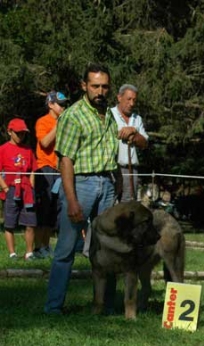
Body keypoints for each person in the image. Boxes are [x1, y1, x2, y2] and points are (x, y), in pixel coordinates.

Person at [44, 63, 147, 315]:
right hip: (81, 185)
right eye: (95, 86)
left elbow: (131, 147)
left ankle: (105, 305)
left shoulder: (109, 117)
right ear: (84, 86)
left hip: (108, 185)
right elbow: (65, 160)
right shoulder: (73, 115)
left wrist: (133, 136)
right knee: (66, 249)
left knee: (107, 248)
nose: (100, 91)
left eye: (104, 86)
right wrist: (72, 200)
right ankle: (54, 307)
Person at [33, 91, 68, 259]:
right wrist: (58, 125)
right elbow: (45, 142)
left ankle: (46, 246)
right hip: (45, 169)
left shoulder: (64, 121)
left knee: (54, 210)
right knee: (43, 208)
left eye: (64, 104)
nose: (63, 107)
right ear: (50, 105)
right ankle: (37, 247)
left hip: (59, 170)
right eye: (60, 104)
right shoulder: (43, 121)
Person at [0, 118, 37, 260]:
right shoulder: (3, 149)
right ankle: (12, 253)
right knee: (10, 224)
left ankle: (29, 253)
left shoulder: (28, 150)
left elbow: (33, 169)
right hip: (11, 190)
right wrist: (5, 188)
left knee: (30, 222)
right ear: (10, 132)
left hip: (27, 191)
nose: (21, 136)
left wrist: (31, 184)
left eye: (23, 133)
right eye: (18, 133)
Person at [110, 84, 148, 202]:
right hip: (111, 168)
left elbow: (144, 144)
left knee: (128, 207)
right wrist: (124, 133)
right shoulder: (109, 114)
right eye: (128, 99)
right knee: (108, 205)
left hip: (130, 170)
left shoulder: (137, 119)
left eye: (134, 100)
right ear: (119, 97)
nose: (132, 103)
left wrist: (134, 131)